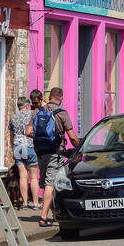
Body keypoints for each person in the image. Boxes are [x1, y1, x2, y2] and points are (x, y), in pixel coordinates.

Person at [35, 88, 78, 228]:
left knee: (45, 181)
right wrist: (79, 147)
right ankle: (43, 217)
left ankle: (54, 213)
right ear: (61, 98)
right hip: (56, 152)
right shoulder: (62, 113)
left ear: (49, 96)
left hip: (40, 152)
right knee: (50, 184)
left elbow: (28, 131)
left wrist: (42, 140)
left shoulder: (38, 111)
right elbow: (72, 136)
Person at [8, 92, 40, 210]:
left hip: (18, 146)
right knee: (33, 177)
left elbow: (11, 136)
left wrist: (12, 149)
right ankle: (36, 203)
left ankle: (25, 202)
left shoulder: (13, 118)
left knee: (22, 176)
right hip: (29, 145)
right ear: (27, 106)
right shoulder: (33, 114)